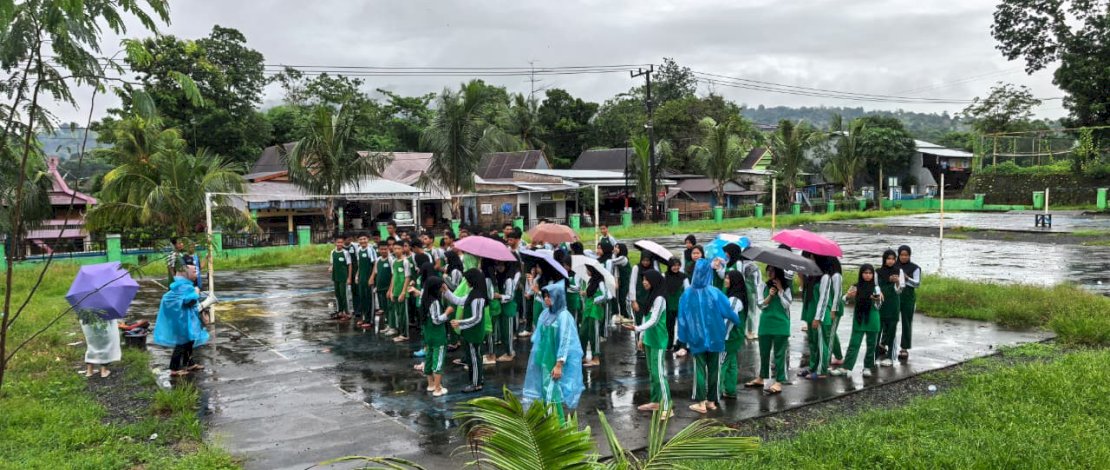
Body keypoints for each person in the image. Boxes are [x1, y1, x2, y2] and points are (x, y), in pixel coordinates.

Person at [678, 259, 741, 414]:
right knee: (714, 369)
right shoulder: (715, 292)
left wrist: (682, 339)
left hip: (696, 338)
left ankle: (700, 401)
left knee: (699, 369)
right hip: (716, 336)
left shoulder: (686, 295)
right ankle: (712, 401)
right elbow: (728, 311)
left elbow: (682, 319)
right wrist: (737, 320)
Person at [523, 283, 585, 423]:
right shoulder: (547, 313)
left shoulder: (564, 316)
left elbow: (565, 340)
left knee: (552, 393)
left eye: (549, 296)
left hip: (554, 361)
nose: (546, 299)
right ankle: (550, 422)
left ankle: (557, 425)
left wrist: (559, 364)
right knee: (545, 392)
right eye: (545, 296)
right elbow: (538, 335)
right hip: (544, 358)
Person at [624, 270, 672, 415]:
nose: (644, 282)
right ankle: (656, 402)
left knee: (659, 374)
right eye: (643, 279)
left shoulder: (660, 298)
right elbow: (646, 316)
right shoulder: (651, 295)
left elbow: (654, 320)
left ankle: (667, 406)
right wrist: (642, 337)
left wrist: (637, 328)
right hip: (650, 339)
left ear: (654, 281)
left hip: (658, 340)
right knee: (652, 373)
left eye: (647, 279)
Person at [153, 264, 210, 377]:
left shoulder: (182, 285)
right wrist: (196, 293)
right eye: (194, 272)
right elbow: (188, 302)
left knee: (189, 341)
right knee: (181, 343)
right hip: (182, 320)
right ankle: (174, 369)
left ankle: (189, 363)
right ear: (186, 274)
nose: (196, 274)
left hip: (185, 319)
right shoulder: (184, 287)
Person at [745, 266, 793, 394]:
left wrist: (781, 290)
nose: (769, 273)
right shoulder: (763, 286)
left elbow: (787, 305)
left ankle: (779, 381)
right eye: (768, 270)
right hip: (766, 323)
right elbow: (760, 305)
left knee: (780, 354)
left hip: (781, 324)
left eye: (772, 271)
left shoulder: (787, 287)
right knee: (764, 353)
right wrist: (770, 296)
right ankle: (761, 378)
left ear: (778, 272)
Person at [831, 264, 882, 377]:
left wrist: (876, 300)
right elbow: (843, 301)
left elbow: (879, 306)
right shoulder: (856, 286)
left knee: (871, 345)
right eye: (865, 273)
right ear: (861, 274)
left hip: (873, 318)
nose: (868, 275)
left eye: (870, 273)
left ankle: (868, 367)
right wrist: (848, 296)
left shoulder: (876, 287)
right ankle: (846, 368)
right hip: (859, 318)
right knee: (854, 344)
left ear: (873, 275)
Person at [445, 268, 489, 393]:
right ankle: (478, 378)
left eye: (468, 280)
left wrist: (459, 323)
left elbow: (477, 317)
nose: (466, 282)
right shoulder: (473, 292)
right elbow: (458, 300)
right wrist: (446, 291)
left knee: (474, 357)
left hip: (474, 332)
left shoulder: (478, 297)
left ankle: (476, 384)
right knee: (473, 356)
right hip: (470, 330)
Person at [410, 276, 449, 396]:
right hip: (438, 335)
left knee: (429, 357)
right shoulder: (435, 302)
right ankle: (438, 388)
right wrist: (447, 313)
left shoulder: (424, 299)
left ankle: (431, 384)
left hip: (428, 334)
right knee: (438, 360)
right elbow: (437, 320)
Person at [799, 253, 833, 379]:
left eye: (813, 258)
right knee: (813, 343)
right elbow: (805, 292)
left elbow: (823, 299)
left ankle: (821, 371)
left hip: (820, 317)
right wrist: (802, 278)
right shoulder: (812, 275)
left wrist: (818, 318)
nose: (810, 260)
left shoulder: (825, 277)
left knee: (820, 343)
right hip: (810, 313)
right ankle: (813, 367)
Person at [719, 271, 747, 398]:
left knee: (721, 363)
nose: (725, 280)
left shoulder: (734, 299)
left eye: (728, 278)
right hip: (735, 337)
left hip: (729, 337)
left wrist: (722, 336)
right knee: (731, 364)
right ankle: (730, 390)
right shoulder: (737, 296)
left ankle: (715, 393)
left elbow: (729, 319)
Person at [876, 249, 904, 366]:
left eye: (893, 259)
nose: (891, 261)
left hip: (893, 304)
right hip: (881, 304)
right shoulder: (878, 271)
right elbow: (876, 286)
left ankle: (890, 357)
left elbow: (900, 289)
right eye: (888, 258)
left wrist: (897, 282)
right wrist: (878, 293)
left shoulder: (899, 271)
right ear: (884, 259)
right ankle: (874, 354)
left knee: (892, 329)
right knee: (877, 329)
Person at [580, 264, 610, 367]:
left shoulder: (600, 281)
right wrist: (585, 293)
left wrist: (595, 300)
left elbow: (605, 295)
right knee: (583, 332)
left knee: (594, 334)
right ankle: (582, 355)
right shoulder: (591, 280)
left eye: (588, 269)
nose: (587, 272)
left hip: (595, 310)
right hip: (588, 310)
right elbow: (589, 293)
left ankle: (596, 357)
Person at [491, 260, 520, 362]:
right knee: (503, 331)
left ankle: (510, 353)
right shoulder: (498, 277)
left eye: (501, 265)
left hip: (508, 308)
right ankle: (508, 351)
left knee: (508, 332)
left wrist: (499, 296)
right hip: (501, 308)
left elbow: (510, 296)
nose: (499, 267)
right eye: (497, 264)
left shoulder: (509, 280)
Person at [897, 245, 921, 361]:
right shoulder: (893, 265)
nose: (904, 257)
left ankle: (904, 348)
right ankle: (883, 343)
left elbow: (917, 283)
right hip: (894, 297)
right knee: (889, 321)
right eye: (902, 255)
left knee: (906, 322)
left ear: (910, 255)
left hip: (908, 297)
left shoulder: (915, 268)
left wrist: (907, 279)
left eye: (906, 255)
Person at [80, 312, 121, 378]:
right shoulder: (104, 302)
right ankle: (103, 371)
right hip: (102, 317)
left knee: (92, 343)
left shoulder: (82, 305)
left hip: (86, 316)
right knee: (106, 343)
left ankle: (89, 371)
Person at [663, 258, 689, 357]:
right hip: (668, 304)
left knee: (682, 325)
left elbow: (687, 291)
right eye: (673, 265)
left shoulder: (683, 277)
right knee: (669, 325)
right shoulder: (664, 276)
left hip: (681, 305)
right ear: (669, 266)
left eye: (678, 265)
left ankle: (683, 345)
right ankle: (669, 345)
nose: (676, 267)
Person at [385, 243, 411, 338]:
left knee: (404, 314)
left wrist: (403, 292)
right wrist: (391, 291)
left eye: (399, 248)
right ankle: (400, 332)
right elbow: (393, 277)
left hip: (402, 292)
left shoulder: (405, 262)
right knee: (399, 313)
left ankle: (405, 334)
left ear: (403, 249)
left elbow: (407, 277)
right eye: (395, 248)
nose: (396, 250)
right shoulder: (394, 261)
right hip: (395, 291)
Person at [628, 250, 658, 325]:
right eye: (643, 260)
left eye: (647, 260)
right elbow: (632, 284)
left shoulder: (653, 269)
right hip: (639, 300)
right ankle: (638, 336)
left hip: (650, 300)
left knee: (649, 321)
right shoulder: (636, 268)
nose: (645, 262)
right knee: (639, 322)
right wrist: (633, 301)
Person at [827, 257, 846, 365]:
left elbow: (838, 294)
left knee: (830, 334)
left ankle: (828, 359)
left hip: (835, 309)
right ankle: (838, 357)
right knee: (831, 333)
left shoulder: (836, 276)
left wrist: (833, 310)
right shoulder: (829, 276)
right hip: (831, 308)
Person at [328, 236, 353, 320]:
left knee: (344, 295)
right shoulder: (332, 252)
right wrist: (331, 267)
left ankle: (347, 313)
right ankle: (340, 311)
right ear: (335, 243)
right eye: (338, 242)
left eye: (341, 242)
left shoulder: (345, 253)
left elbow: (349, 265)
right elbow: (332, 264)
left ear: (343, 243)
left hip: (343, 277)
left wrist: (349, 278)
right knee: (338, 295)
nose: (339, 244)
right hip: (335, 277)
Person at [368, 241, 392, 326]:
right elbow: (375, 272)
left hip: (388, 288)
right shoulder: (378, 260)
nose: (383, 251)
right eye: (381, 249)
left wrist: (390, 289)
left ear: (388, 249)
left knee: (390, 308)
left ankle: (391, 325)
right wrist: (372, 279)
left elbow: (393, 275)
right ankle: (388, 324)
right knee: (384, 307)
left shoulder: (391, 259)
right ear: (378, 250)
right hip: (380, 288)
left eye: (385, 249)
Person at [354, 234, 375, 329]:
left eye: (364, 239)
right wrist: (357, 275)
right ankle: (364, 318)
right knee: (362, 298)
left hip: (368, 278)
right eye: (360, 239)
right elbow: (359, 265)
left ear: (368, 239)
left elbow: (375, 264)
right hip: (361, 278)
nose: (362, 241)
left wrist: (372, 277)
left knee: (369, 299)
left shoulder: (370, 250)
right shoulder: (358, 250)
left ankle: (370, 320)